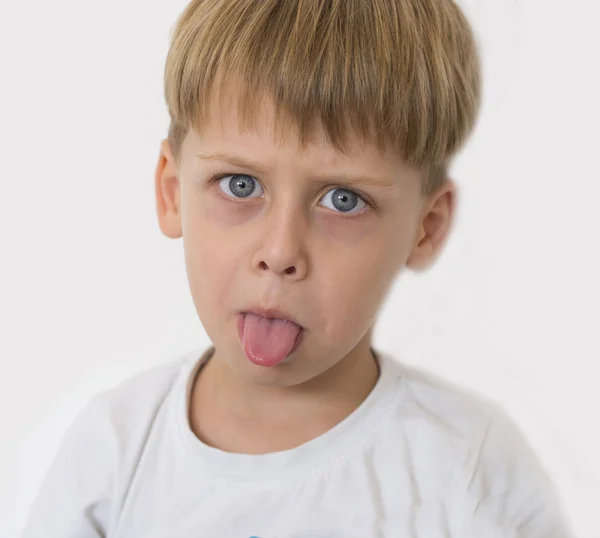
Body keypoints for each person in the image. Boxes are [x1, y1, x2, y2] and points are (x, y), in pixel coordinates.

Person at [22, 0, 574, 536]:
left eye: (342, 200)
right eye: (241, 186)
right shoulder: (112, 456)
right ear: (172, 192)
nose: (281, 251)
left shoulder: (472, 475)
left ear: (424, 229)